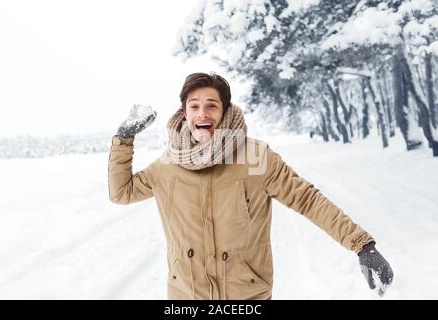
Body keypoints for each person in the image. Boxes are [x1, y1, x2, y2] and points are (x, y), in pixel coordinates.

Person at [108, 72, 393, 300]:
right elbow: (122, 192)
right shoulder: (168, 165)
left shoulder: (255, 157)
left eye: (211, 105)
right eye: (194, 106)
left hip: (247, 296)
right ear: (184, 113)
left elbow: (307, 199)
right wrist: (123, 139)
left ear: (226, 111)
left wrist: (362, 245)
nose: (202, 114)